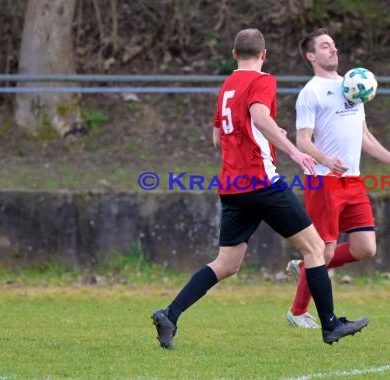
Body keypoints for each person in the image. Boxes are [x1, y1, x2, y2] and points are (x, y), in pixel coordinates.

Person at [151, 28, 369, 349]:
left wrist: (262, 132)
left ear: (234, 55)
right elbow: (259, 115)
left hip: (233, 185)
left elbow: (217, 139)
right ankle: (330, 325)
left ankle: (170, 314)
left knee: (227, 263)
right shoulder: (263, 80)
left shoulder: (226, 87)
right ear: (263, 54)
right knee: (314, 249)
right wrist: (293, 150)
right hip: (261, 182)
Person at [285, 28, 390, 329]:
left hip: (354, 182)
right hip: (323, 181)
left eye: (333, 45)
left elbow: (365, 137)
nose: (333, 50)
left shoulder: (353, 84)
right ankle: (296, 312)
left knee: (365, 248)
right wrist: (325, 160)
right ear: (311, 55)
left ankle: (307, 266)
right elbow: (302, 141)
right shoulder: (311, 92)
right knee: (325, 251)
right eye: (324, 46)